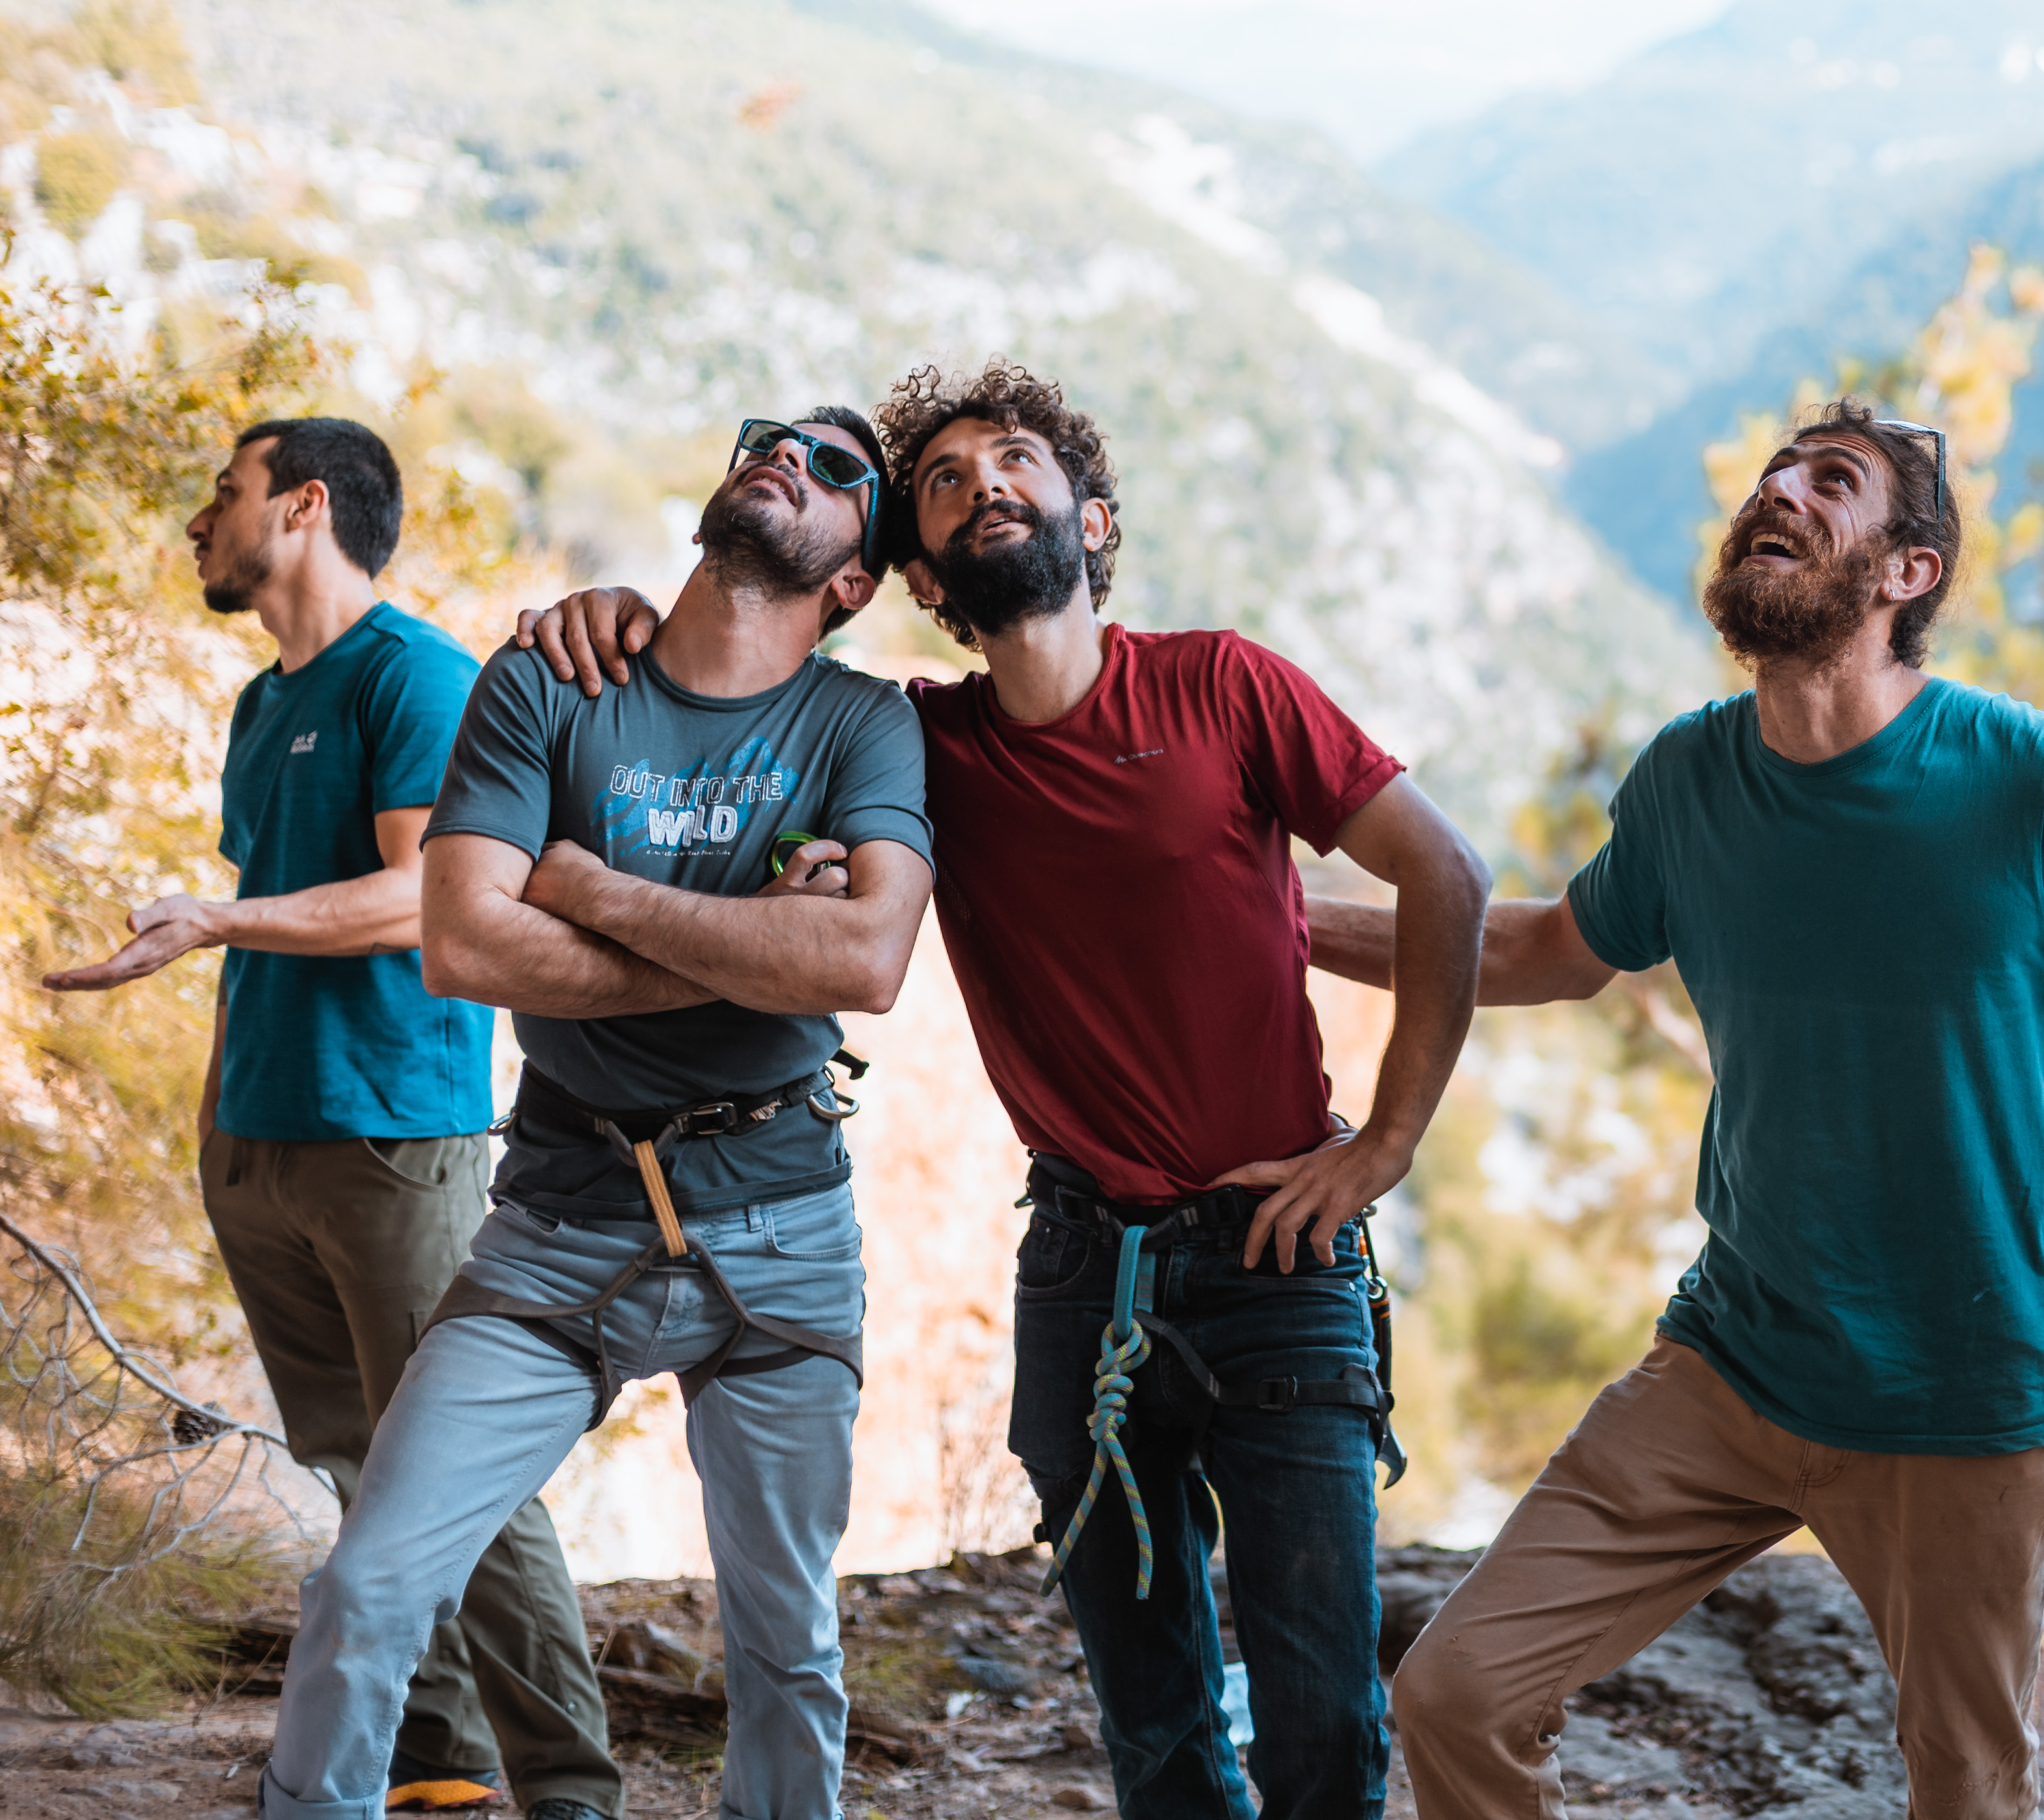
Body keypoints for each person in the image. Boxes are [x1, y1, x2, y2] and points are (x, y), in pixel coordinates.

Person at [515, 359, 1489, 1820]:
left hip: (1281, 1257)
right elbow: (750, 684)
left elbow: (1446, 879)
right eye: (949, 481)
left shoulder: (1225, 683)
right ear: (919, 571)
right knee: (1150, 1720)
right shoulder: (924, 745)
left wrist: (1390, 1145)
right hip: (1081, 1270)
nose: (986, 487)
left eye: (1016, 462)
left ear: (1090, 522)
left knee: (1319, 1718)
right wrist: (616, 618)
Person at [1305, 398, 2044, 1820]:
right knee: (1456, 1691)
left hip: (1960, 1402)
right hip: (1734, 1367)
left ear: (1908, 571)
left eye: (1832, 481)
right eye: (1776, 472)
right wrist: (1289, 925)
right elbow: (1547, 952)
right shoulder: (1689, 778)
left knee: (1969, 1793)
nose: (1781, 490)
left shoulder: (2041, 781)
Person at [255, 408, 934, 1820]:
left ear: (855, 579)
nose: (786, 459)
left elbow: (863, 963)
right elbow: (465, 949)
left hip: (782, 1223)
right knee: (370, 1586)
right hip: (558, 1227)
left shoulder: (863, 721)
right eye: (770, 438)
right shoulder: (549, 677)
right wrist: (744, 937)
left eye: (834, 469)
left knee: (789, 1645)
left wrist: (586, 887)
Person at [42, 418, 621, 1818]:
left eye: (224, 494)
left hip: (393, 1142)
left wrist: (215, 920)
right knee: (356, 1466)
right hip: (259, 1141)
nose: (200, 520)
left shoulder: (421, 678)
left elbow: (426, 895)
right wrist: (219, 1108)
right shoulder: (262, 704)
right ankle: (438, 1770)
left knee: (460, 1477)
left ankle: (574, 1793)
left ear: (303, 507)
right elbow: (272, 916)